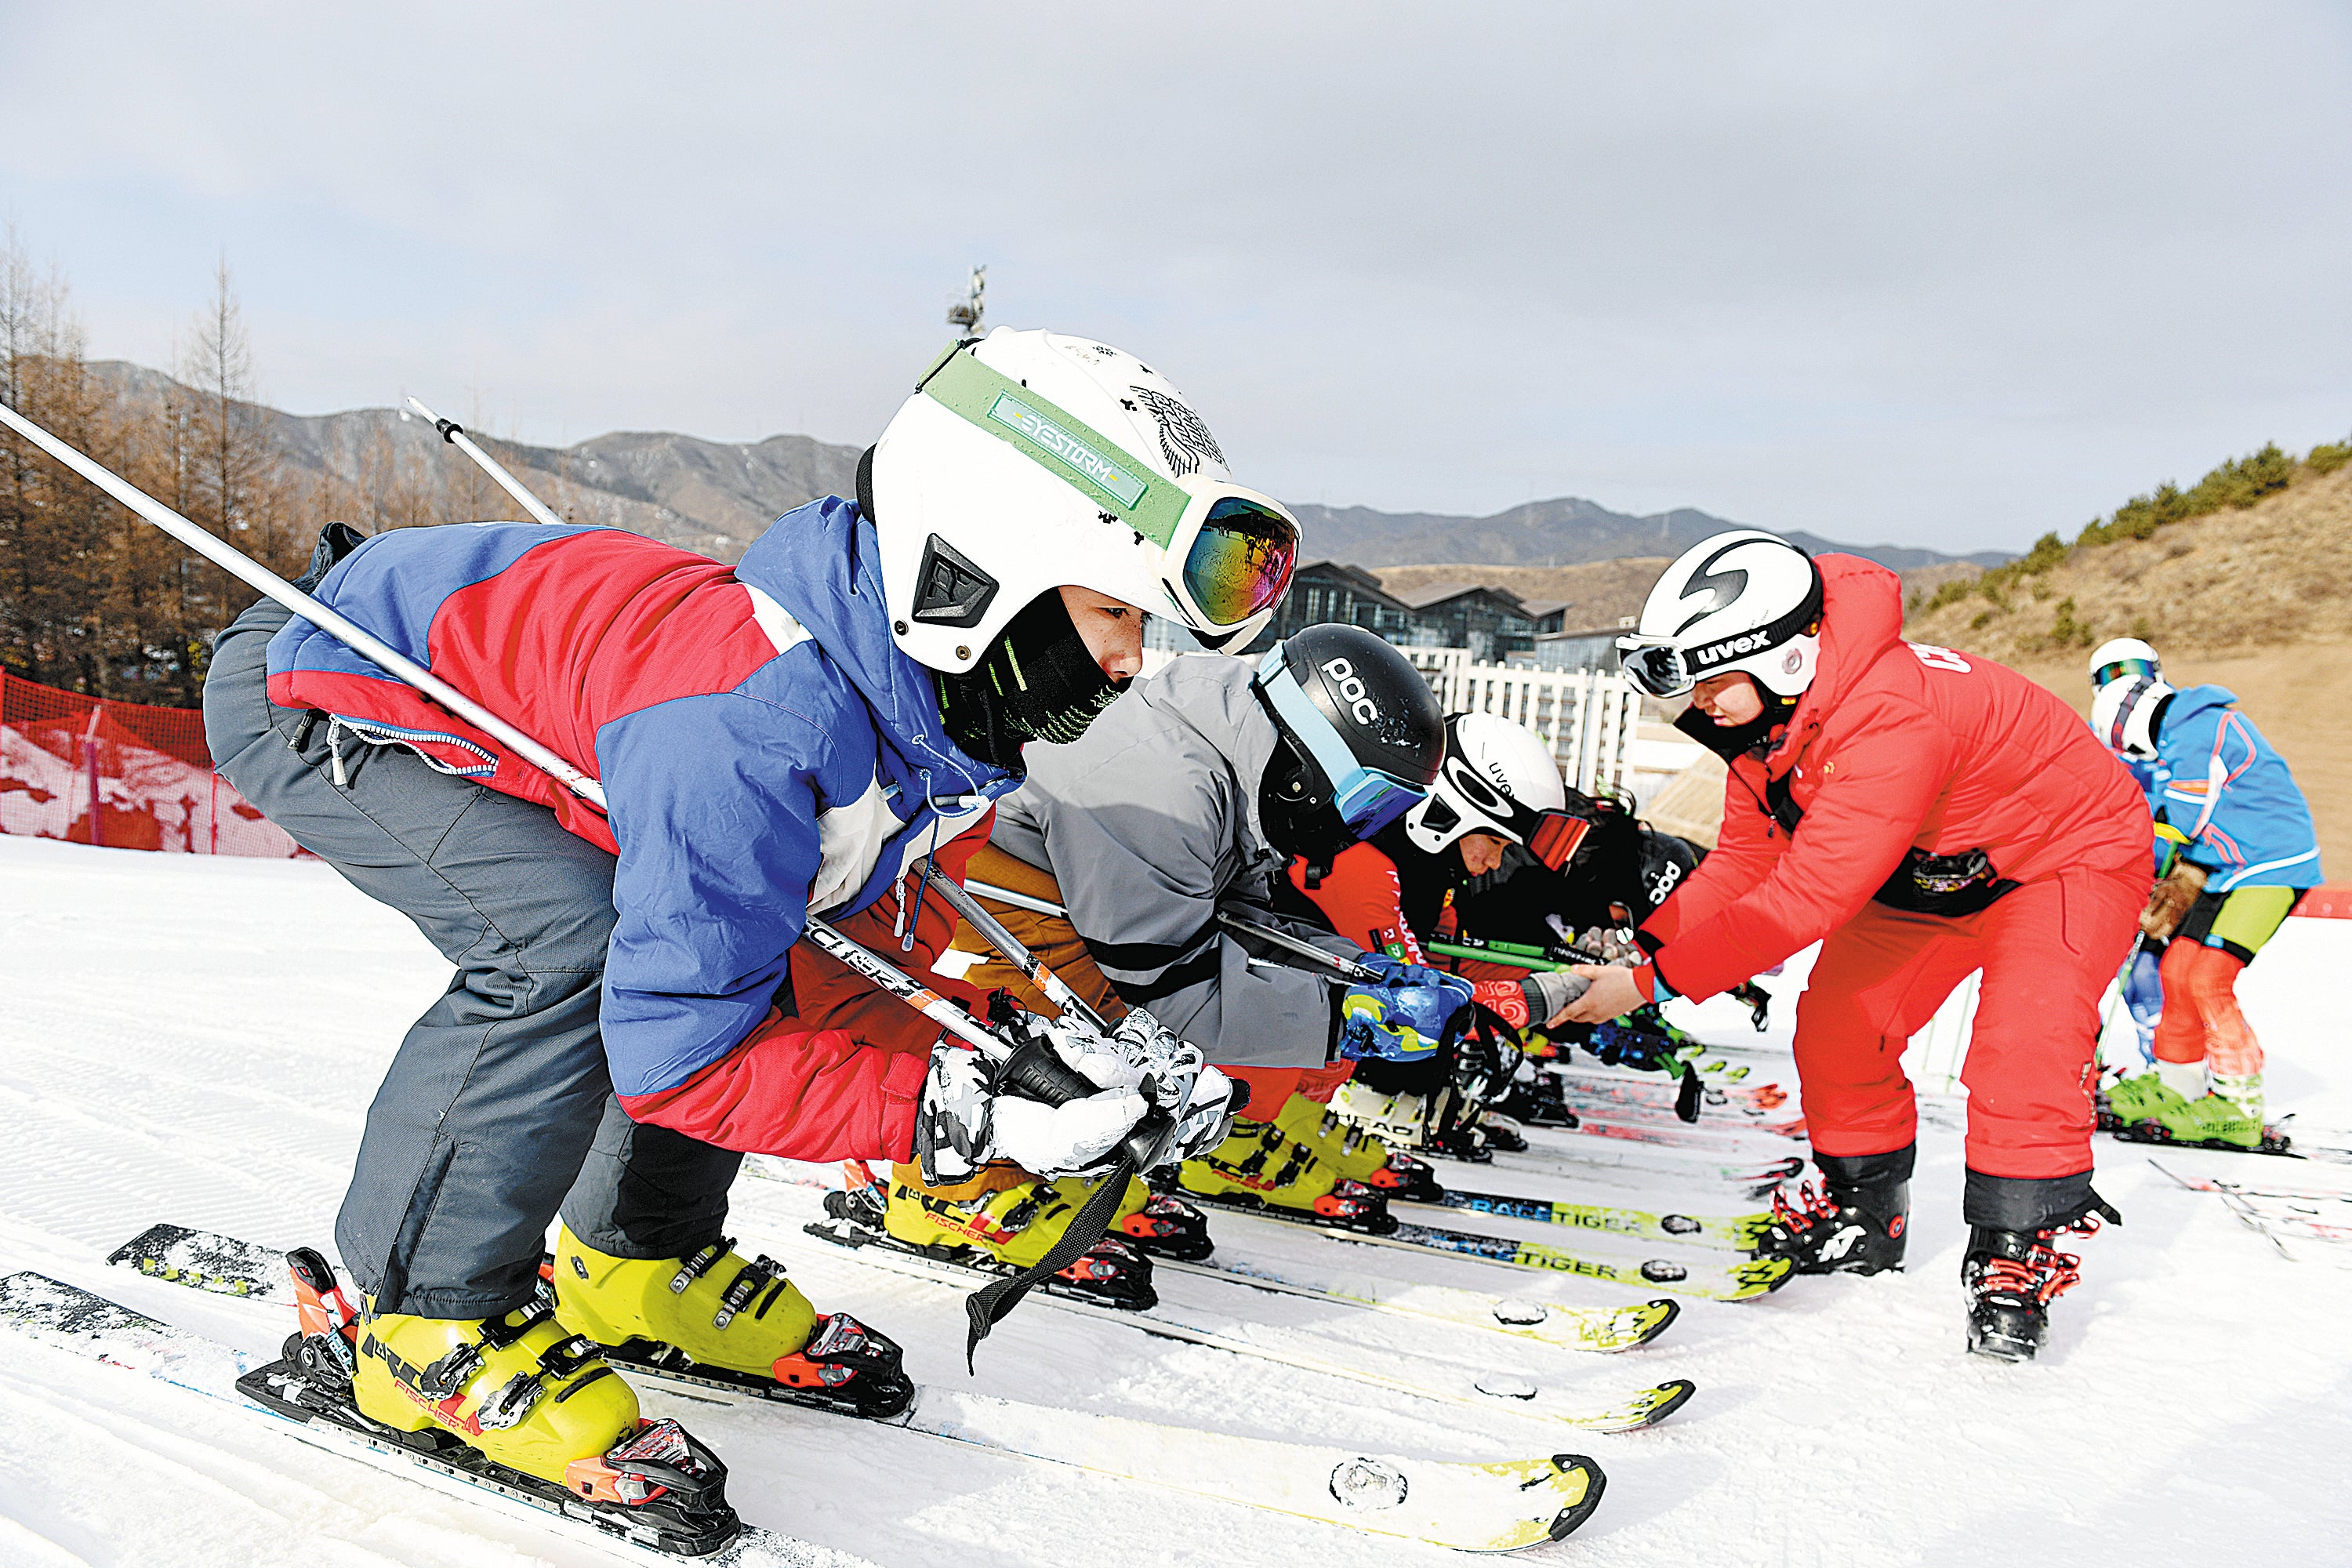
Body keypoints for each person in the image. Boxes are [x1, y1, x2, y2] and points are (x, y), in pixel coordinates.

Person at [200, 327, 1286, 1512]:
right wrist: (959, 1117)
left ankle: (633, 1260)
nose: (1132, 661)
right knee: (565, 951)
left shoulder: (929, 724)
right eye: (1113, 613)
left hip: (547, 694)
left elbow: (852, 968)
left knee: (742, 944)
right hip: (327, 677)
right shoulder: (752, 728)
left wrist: (1045, 1058)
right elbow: (679, 1059)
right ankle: (426, 1323)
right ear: (980, 571)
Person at [1569, 529, 2151, 1361]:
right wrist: (1644, 949)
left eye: (1711, 680)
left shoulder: (1887, 715)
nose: (1697, 703)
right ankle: (1863, 1210)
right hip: (1933, 872)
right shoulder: (1769, 727)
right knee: (1841, 1023)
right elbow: (1744, 861)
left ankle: (2015, 1249)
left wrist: (1654, 984)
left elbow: (1805, 897)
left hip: (2064, 858)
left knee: (2025, 1035)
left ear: (1785, 658)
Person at [933, 623, 1466, 1229]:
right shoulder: (1167, 787)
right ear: (1309, 772)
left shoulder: (1235, 758)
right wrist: (1345, 1018)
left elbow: (1240, 922)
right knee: (1105, 1019)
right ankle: (966, 1190)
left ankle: (1050, 1165)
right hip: (987, 902)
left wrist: (1362, 974)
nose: (1356, 831)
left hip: (1070, 901)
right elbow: (1167, 994)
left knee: (1142, 1011)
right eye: (1364, 806)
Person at [1281, 711, 1592, 1158]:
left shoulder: (1414, 865)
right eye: (1498, 844)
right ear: (1450, 811)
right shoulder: (1364, 868)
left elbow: (1432, 964)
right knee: (1369, 1018)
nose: (1493, 864)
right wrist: (1533, 998)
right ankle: (1260, 1128)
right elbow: (1408, 1003)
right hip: (1246, 1039)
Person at [2086, 638, 2321, 1149]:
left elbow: (2184, 817)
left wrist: (2155, 878)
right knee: (2176, 971)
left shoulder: (2197, 729)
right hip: (2220, 868)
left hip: (2270, 868)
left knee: (2210, 978)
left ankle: (2236, 1105)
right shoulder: (2181, 730)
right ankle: (2178, 1086)